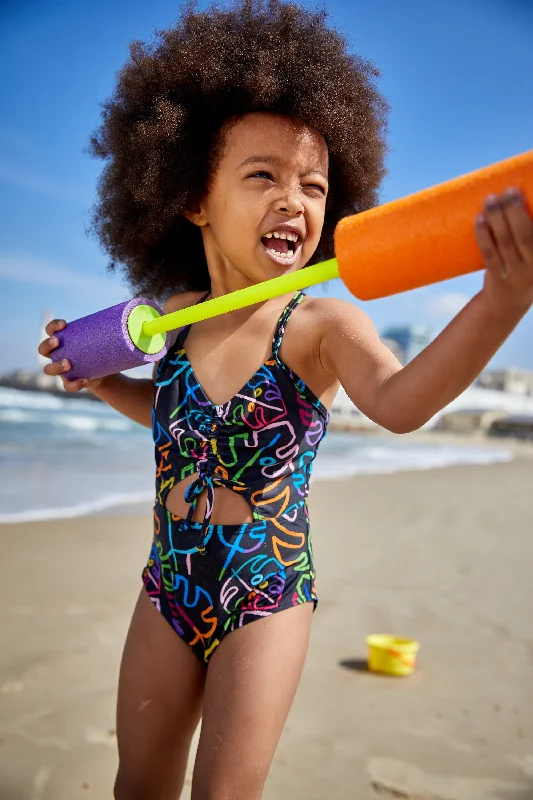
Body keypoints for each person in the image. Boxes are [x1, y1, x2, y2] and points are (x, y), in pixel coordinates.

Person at [38, 2, 533, 798]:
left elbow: (402, 404)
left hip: (264, 595)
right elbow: (176, 424)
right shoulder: (170, 315)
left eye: (313, 184)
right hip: (167, 585)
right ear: (193, 198)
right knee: (140, 779)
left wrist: (499, 302)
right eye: (261, 175)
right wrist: (99, 379)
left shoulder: (322, 326)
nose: (293, 200)